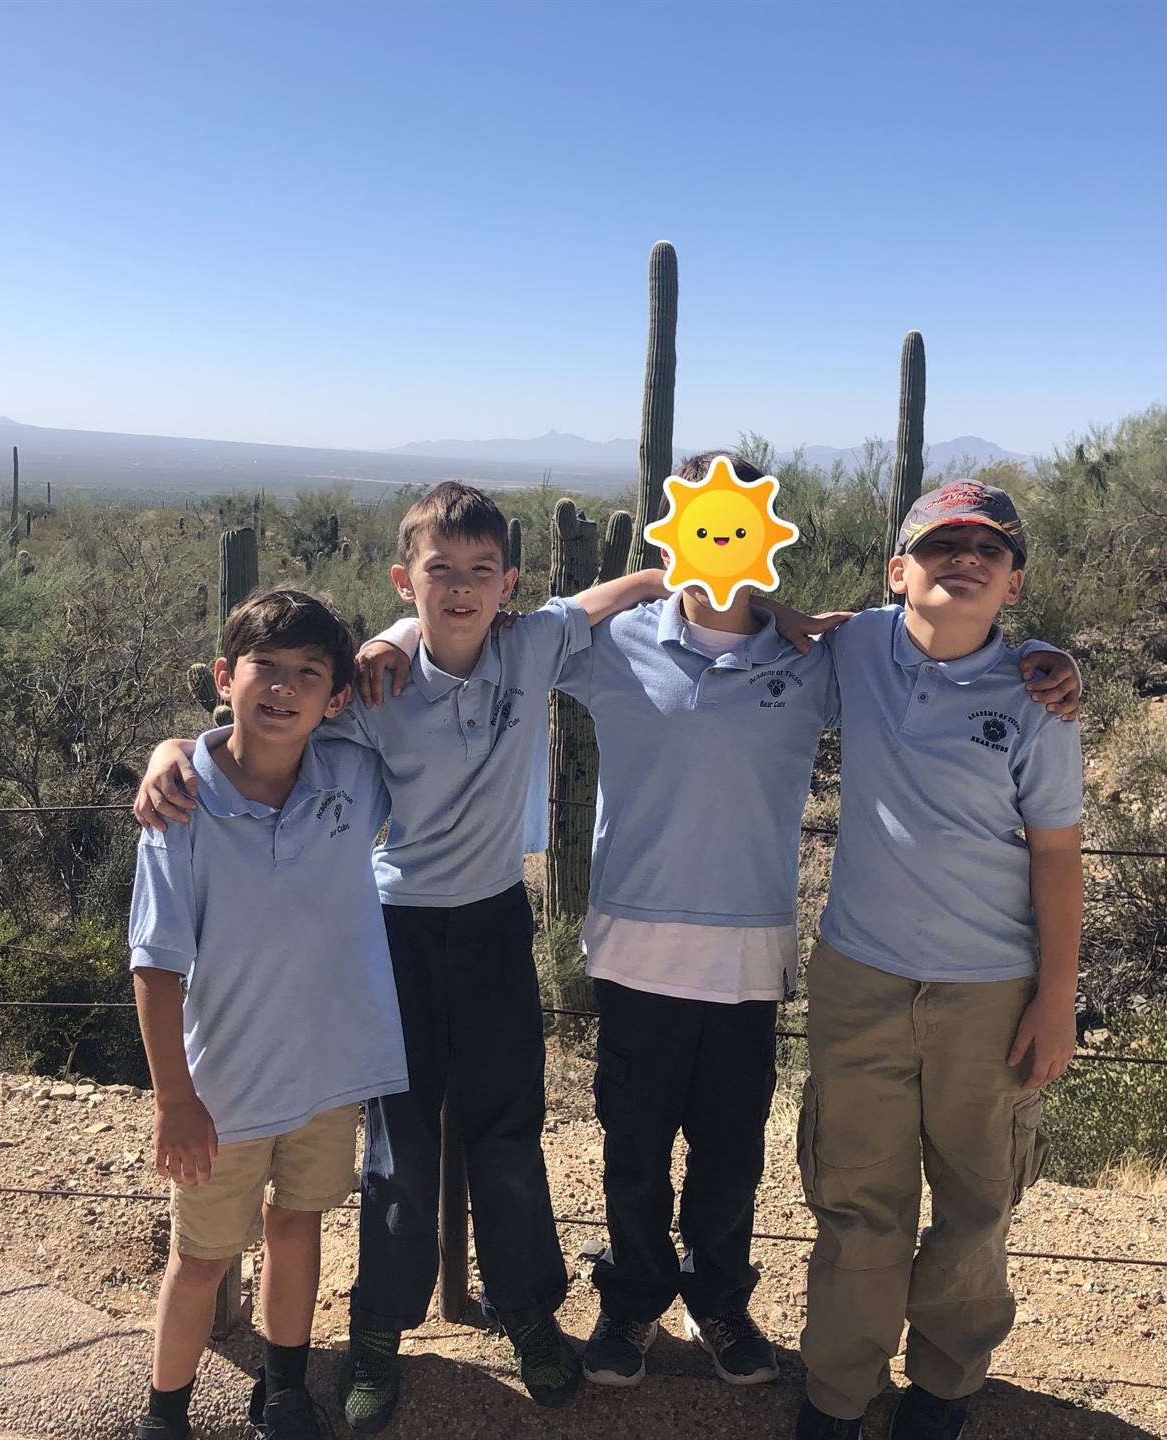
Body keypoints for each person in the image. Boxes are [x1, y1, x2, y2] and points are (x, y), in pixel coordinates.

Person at [356, 459, 1080, 1408]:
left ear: (765, 531)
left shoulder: (816, 658)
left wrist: (1051, 662)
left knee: (733, 1147)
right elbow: (491, 629)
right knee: (633, 1142)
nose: (719, 540)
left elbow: (928, 654)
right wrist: (394, 630)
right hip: (633, 947)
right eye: (700, 522)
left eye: (738, 522)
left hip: (750, 949)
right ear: (673, 528)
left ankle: (722, 1300)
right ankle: (632, 1300)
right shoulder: (611, 647)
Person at [134, 482, 668, 1431]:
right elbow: (260, 730)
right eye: (439, 572)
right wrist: (173, 746)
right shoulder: (372, 685)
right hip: (397, 929)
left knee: (508, 1132)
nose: (460, 590)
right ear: (405, 579)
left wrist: (695, 570)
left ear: (508, 582)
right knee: (400, 1147)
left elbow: (602, 600)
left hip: (498, 917)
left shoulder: (529, 642)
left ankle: (529, 1315)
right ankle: (379, 1330)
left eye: (480, 573)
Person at [795, 481, 1085, 1440]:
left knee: (976, 1197)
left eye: (986, 552)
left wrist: (1057, 998)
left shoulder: (1041, 702)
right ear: (897, 572)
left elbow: (1055, 856)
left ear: (1012, 584)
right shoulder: (854, 647)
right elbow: (737, 620)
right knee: (856, 1193)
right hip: (860, 976)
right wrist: (775, 609)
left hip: (988, 992)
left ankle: (945, 1389)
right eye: (939, 547)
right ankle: (839, 1392)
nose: (961, 561)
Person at [128, 590, 404, 1440]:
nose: (284, 690)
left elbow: (448, 681)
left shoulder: (353, 778)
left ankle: (282, 1388)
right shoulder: (181, 807)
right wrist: (174, 1097)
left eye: (308, 676)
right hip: (224, 1089)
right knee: (201, 1258)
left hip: (326, 1074)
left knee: (298, 1226)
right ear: (225, 676)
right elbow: (156, 963)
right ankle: (164, 1415)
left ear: (334, 696)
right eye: (266, 670)